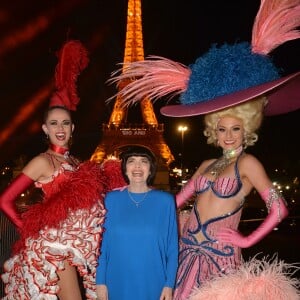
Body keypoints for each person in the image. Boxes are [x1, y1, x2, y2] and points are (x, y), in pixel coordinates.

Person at [105, 1, 300, 299]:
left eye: (236, 129)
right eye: (222, 130)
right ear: (213, 131)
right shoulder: (208, 164)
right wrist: (134, 199)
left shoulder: (249, 165)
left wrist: (246, 240)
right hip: (187, 250)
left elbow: (279, 209)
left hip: (219, 259)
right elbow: (174, 202)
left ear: (247, 129)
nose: (229, 136)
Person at [0, 40, 125, 299]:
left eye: (65, 123)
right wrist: (28, 228)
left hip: (81, 244)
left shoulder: (77, 162)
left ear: (72, 128)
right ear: (45, 129)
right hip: (56, 245)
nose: (60, 128)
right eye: (54, 123)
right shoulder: (42, 161)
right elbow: (5, 200)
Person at [96, 145, 178, 300]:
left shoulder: (165, 201)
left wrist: (169, 284)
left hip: (154, 282)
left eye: (144, 161)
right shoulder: (111, 199)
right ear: (125, 168)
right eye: (131, 161)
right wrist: (100, 282)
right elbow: (102, 247)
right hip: (116, 280)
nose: (138, 166)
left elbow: (172, 248)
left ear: (151, 168)